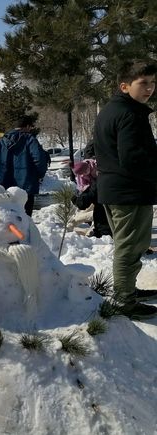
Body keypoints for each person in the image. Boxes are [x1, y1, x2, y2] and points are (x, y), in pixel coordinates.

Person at [93, 60, 157, 319]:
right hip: (128, 192)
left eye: (153, 83)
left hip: (118, 189)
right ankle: (124, 301)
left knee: (129, 245)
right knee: (129, 248)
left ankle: (127, 290)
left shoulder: (113, 110)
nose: (150, 89)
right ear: (124, 85)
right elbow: (133, 158)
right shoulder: (130, 114)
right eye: (143, 83)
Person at [0, 115, 48, 216]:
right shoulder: (30, 140)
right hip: (26, 186)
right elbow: (39, 159)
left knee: (7, 218)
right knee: (25, 218)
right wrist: (40, 175)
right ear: (27, 126)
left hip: (3, 186)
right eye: (30, 127)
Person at [71, 159, 111, 239]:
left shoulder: (96, 168)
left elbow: (96, 184)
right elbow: (82, 187)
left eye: (86, 171)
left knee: (99, 213)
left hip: (101, 193)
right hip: (96, 194)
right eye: (83, 173)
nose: (85, 173)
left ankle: (103, 233)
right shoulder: (82, 176)